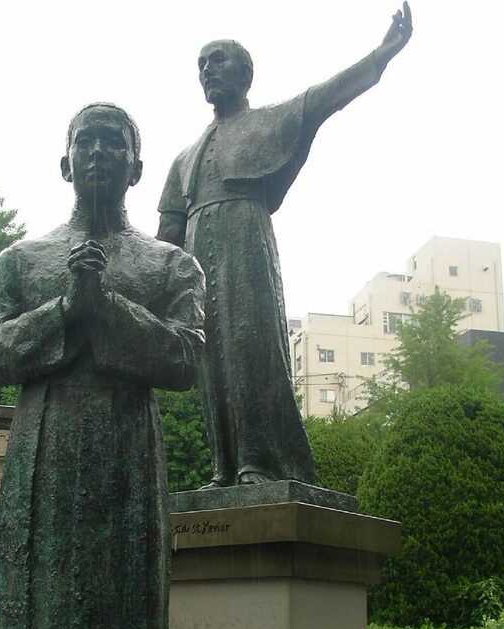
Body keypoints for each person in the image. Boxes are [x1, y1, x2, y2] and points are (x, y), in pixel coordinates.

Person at [0, 103, 205, 629]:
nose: (99, 153)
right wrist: (63, 310)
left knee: (120, 619)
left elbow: (187, 359)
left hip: (125, 463)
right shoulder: (20, 260)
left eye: (116, 143)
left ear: (136, 167)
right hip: (43, 451)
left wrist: (106, 306)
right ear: (65, 161)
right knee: (34, 618)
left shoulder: (170, 264)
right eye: (86, 142)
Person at [158, 5, 413, 488]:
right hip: (197, 259)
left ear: (245, 74)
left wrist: (379, 58)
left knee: (251, 349)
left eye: (218, 60)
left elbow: (324, 98)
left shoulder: (268, 122)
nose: (207, 70)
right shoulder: (184, 156)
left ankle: (260, 461)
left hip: (245, 241)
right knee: (210, 359)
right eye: (201, 65)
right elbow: (165, 238)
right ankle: (224, 467)